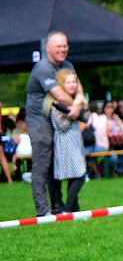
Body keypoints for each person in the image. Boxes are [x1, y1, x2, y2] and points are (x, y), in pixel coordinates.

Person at [26, 31, 78, 216]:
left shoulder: (67, 65)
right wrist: (78, 106)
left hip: (57, 121)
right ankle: (43, 211)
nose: (63, 50)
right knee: (41, 166)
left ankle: (58, 208)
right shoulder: (43, 67)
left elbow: (78, 89)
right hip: (39, 121)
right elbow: (61, 96)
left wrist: (79, 102)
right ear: (48, 48)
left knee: (56, 165)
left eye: (65, 46)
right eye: (59, 46)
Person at [47, 69, 88, 213]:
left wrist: (79, 105)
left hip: (75, 140)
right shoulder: (56, 103)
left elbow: (87, 116)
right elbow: (61, 125)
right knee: (80, 176)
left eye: (74, 82)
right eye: (68, 82)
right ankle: (69, 209)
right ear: (61, 85)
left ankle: (74, 209)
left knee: (75, 176)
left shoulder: (77, 101)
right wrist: (74, 114)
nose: (72, 85)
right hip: (65, 142)